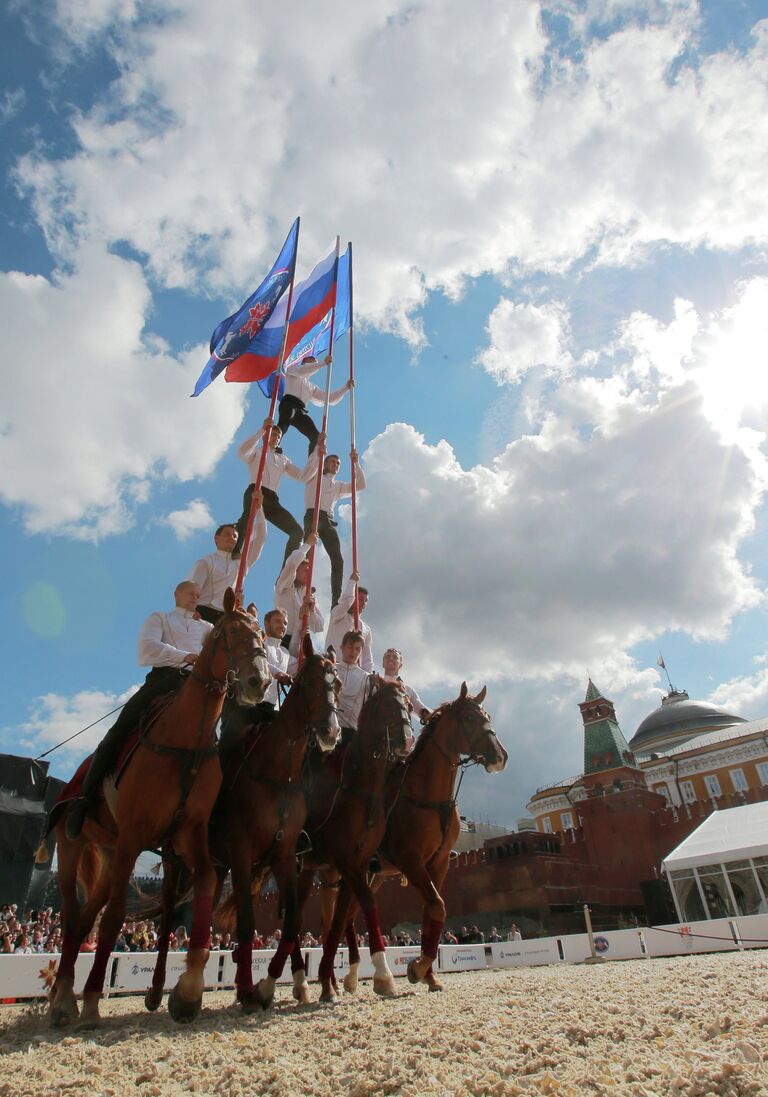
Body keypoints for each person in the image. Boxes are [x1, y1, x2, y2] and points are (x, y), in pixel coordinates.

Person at [65, 581, 213, 840]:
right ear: (176, 594)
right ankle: (83, 799)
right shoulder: (160, 617)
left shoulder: (206, 627)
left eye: (198, 596)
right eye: (190, 593)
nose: (194, 598)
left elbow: (225, 642)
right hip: (162, 682)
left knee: (213, 748)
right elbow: (147, 650)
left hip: (193, 690)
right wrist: (185, 656)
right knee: (117, 732)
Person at [235, 421, 311, 561]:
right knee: (247, 520)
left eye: (278, 435)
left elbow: (302, 476)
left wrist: (318, 458)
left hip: (273, 499)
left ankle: (287, 570)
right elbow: (241, 452)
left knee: (297, 531)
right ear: (266, 436)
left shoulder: (283, 459)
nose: (276, 437)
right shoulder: (256, 450)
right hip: (256, 490)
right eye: (273, 434)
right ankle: (234, 554)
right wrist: (262, 430)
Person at [302, 441, 366, 606]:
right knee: (307, 555)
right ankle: (302, 587)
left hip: (328, 520)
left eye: (338, 463)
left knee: (338, 560)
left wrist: (355, 463)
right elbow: (312, 467)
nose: (335, 465)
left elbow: (360, 485)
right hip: (313, 515)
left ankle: (335, 600)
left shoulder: (338, 485)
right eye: (332, 461)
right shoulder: (315, 476)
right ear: (325, 463)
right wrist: (319, 453)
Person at [189, 492, 266, 624]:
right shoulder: (206, 561)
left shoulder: (241, 563)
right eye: (227, 534)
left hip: (227, 616)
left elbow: (260, 538)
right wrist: (190, 611)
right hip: (202, 613)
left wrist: (259, 508)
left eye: (235, 536)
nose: (232, 538)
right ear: (216, 539)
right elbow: (192, 589)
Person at [276, 355, 353, 455]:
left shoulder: (312, 387)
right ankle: (273, 444)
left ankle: (312, 460)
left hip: (300, 411)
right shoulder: (292, 370)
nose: (313, 365)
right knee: (284, 424)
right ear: (303, 363)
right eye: (310, 362)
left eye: (314, 363)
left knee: (316, 437)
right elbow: (302, 371)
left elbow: (330, 398)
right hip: (288, 404)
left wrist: (346, 388)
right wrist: (322, 363)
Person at [274, 535, 324, 658]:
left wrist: (312, 611)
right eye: (305, 570)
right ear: (295, 572)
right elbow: (291, 563)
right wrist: (307, 545)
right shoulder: (284, 586)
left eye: (310, 571)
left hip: (300, 642)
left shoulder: (308, 595)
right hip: (281, 639)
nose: (308, 574)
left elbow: (319, 627)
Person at [325, 571, 373, 670]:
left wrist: (368, 676)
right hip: (331, 664)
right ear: (354, 598)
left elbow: (367, 656)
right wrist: (351, 583)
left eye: (365, 600)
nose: (363, 602)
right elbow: (345, 603)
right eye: (360, 598)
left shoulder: (366, 629)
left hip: (352, 671)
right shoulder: (338, 614)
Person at [336, 631, 370, 742]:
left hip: (350, 734)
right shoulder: (331, 670)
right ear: (342, 647)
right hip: (326, 730)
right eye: (350, 647)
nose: (354, 652)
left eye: (358, 649)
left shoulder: (366, 678)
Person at [381, 648, 430, 723]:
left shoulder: (408, 690)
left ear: (400, 665)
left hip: (402, 733)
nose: (391, 659)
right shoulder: (373, 685)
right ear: (383, 663)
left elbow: (422, 710)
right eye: (387, 656)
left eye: (395, 657)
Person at [262, 608, 297, 709]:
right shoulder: (261, 644)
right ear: (266, 623)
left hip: (272, 708)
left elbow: (301, 665)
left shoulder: (285, 653)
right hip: (252, 705)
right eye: (278, 621)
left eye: (285, 623)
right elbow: (261, 663)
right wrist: (278, 673)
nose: (282, 626)